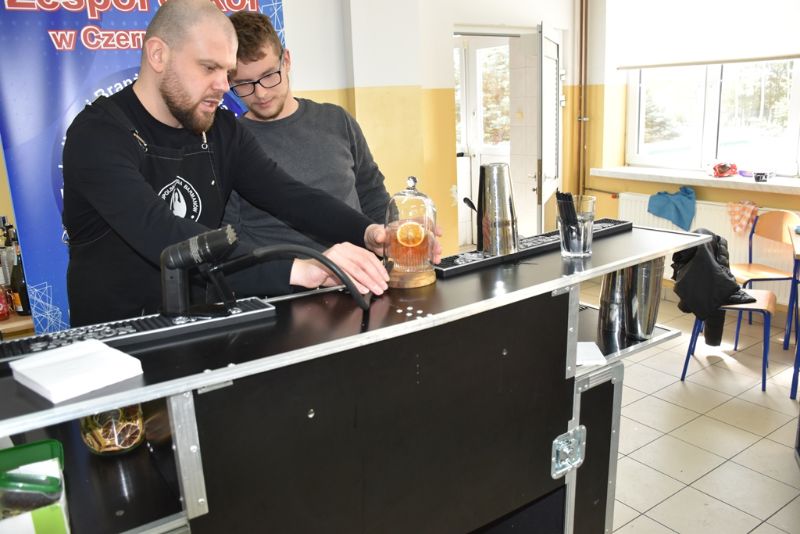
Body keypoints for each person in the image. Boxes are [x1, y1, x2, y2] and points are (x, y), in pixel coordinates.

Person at [62, 0, 390, 327]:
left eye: (227, 72)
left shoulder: (222, 130)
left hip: (198, 325)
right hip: (115, 340)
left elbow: (290, 196)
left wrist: (369, 232)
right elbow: (160, 231)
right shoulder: (97, 134)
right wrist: (300, 269)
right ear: (158, 55)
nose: (223, 86)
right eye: (209, 68)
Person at [222, 11, 390, 252]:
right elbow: (232, 241)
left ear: (286, 61)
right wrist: (299, 268)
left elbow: (373, 195)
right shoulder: (231, 142)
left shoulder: (337, 120)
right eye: (244, 83)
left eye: (268, 76)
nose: (261, 93)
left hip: (359, 271)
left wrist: (390, 239)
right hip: (285, 277)